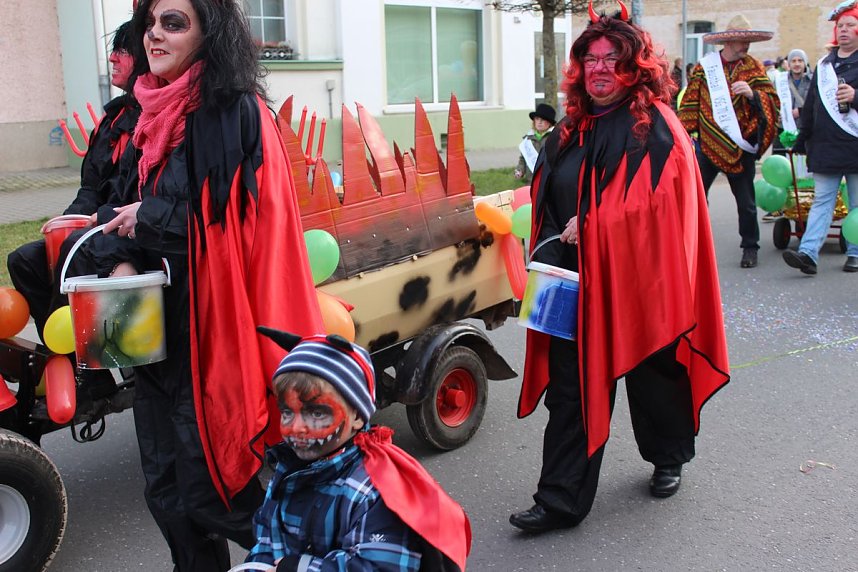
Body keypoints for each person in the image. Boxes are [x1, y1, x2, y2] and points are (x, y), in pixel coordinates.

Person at [98, 1, 324, 569]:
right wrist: (122, 254)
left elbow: (234, 228)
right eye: (151, 21)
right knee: (167, 491)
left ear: (209, 34)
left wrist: (146, 221)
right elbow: (121, 200)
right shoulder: (148, 111)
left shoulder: (234, 112)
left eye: (173, 23)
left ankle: (315, 560)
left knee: (217, 490)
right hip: (155, 334)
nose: (154, 34)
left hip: (214, 339)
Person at [508, 2, 730, 533]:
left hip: (638, 279)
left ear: (635, 68)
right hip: (571, 280)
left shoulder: (654, 127)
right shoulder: (567, 130)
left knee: (654, 372)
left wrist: (597, 223)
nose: (601, 69)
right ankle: (560, 499)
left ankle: (668, 456)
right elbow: (546, 192)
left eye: (613, 59)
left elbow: (659, 200)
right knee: (571, 388)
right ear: (579, 68)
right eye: (592, 60)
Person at [245, 330, 471, 571]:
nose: (296, 427)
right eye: (288, 412)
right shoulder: (287, 470)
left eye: (317, 413)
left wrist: (298, 568)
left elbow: (381, 566)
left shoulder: (376, 492)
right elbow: (267, 537)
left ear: (356, 415)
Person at [6, 21, 138, 339]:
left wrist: (94, 222)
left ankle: (78, 363)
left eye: (122, 51)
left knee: (73, 250)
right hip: (97, 229)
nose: (112, 59)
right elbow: (91, 187)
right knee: (24, 259)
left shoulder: (158, 119)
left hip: (133, 232)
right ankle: (59, 357)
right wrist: (69, 219)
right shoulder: (111, 121)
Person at [678, 15, 780, 268]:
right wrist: (685, 133)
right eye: (741, 40)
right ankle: (692, 244)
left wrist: (753, 94)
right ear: (728, 40)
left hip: (739, 145)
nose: (745, 46)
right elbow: (692, 100)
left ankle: (750, 247)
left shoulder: (753, 66)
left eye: (748, 41)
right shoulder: (705, 67)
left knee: (746, 203)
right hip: (708, 144)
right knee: (695, 197)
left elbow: (772, 101)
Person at [783, 0, 858, 274]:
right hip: (826, 145)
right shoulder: (825, 64)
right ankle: (808, 254)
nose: (845, 30)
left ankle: (855, 252)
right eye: (841, 26)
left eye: (851, 25)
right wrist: (802, 140)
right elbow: (812, 104)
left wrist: (856, 97)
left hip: (855, 144)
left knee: (857, 205)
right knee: (822, 200)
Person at [770, 48, 813, 158]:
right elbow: (772, 100)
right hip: (784, 129)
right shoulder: (780, 80)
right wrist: (776, 114)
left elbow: (817, 103)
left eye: (800, 60)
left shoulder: (813, 80)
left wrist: (800, 111)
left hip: (806, 129)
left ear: (805, 62)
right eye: (793, 61)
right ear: (789, 63)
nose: (797, 64)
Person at [514, 103, 556, 184]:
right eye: (537, 119)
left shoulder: (554, 138)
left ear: (550, 123)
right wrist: (520, 170)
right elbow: (523, 159)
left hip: (548, 181)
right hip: (531, 181)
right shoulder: (528, 139)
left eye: (543, 119)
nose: (539, 122)